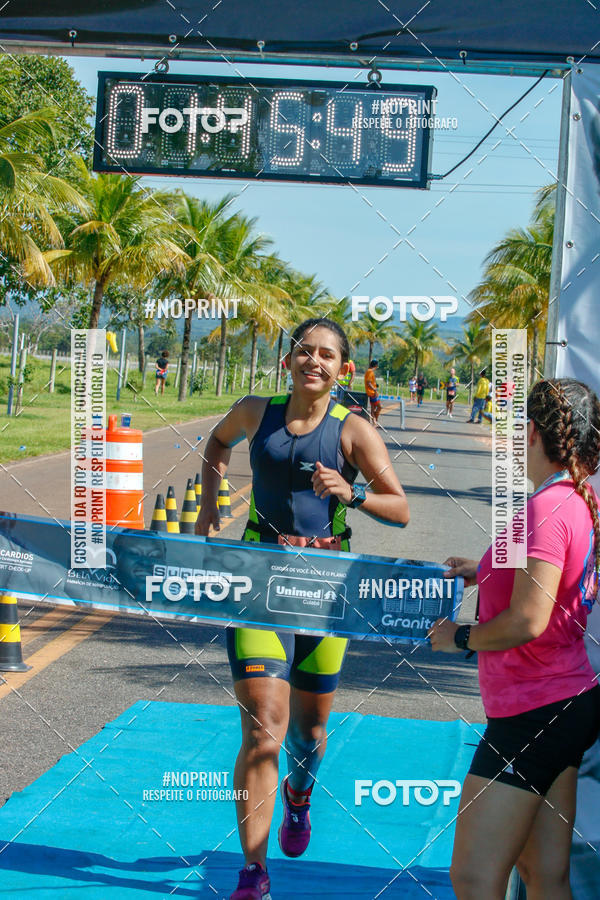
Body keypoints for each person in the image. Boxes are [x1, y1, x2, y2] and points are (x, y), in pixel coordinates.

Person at [196, 318, 409, 900]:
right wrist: (209, 505)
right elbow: (216, 443)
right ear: (289, 359)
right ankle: (254, 873)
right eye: (304, 351)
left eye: (327, 355)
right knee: (264, 729)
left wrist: (352, 492)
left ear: (342, 369)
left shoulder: (354, 431)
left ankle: (299, 793)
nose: (313, 361)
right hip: (260, 581)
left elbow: (401, 509)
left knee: (309, 733)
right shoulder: (253, 411)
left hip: (325, 591)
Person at [430, 378, 600, 900]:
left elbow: (529, 620)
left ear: (529, 430)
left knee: (475, 877)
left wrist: (460, 636)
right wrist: (480, 570)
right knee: (543, 875)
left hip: (534, 713)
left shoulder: (546, 509)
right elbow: (547, 580)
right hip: (562, 704)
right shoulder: (575, 497)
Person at [364, 358, 382, 426]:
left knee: (373, 408)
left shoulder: (369, 372)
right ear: (376, 365)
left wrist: (375, 385)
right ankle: (375, 420)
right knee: (379, 407)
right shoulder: (370, 372)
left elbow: (370, 382)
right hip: (372, 392)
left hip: (372, 392)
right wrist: (374, 389)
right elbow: (368, 382)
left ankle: (374, 421)